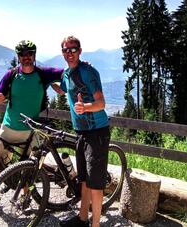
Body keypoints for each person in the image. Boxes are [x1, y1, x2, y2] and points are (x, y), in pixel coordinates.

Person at [0, 40, 63, 209]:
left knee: (29, 166)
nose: (26, 57)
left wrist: (81, 65)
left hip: (31, 130)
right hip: (9, 126)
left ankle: (25, 197)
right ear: (18, 57)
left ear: (34, 55)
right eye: (22, 54)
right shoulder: (11, 75)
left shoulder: (43, 74)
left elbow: (64, 72)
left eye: (29, 53)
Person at [57, 36, 110, 227]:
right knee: (84, 179)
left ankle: (95, 225)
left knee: (96, 185)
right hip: (81, 132)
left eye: (73, 50)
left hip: (97, 132)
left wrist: (84, 108)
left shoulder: (88, 72)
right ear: (62, 52)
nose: (69, 53)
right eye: (65, 50)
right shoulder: (66, 73)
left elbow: (101, 103)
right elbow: (62, 90)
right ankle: (82, 219)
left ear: (80, 51)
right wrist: (44, 81)